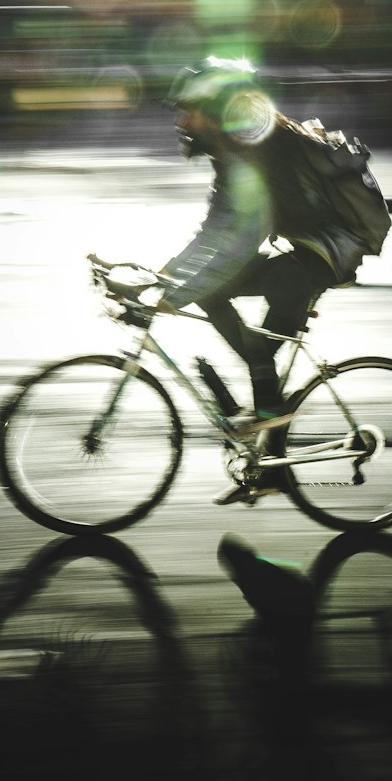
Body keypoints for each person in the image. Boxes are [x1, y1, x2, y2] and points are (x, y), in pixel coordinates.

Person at [153, 57, 370, 505]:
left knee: (256, 353)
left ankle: (265, 409)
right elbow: (215, 229)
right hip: (305, 250)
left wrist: (180, 293)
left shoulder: (254, 151)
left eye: (188, 110)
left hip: (323, 253)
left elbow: (242, 241)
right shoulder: (232, 151)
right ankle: (269, 458)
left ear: (212, 109)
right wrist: (164, 275)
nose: (181, 121)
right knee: (229, 315)